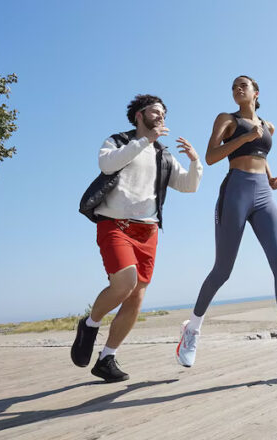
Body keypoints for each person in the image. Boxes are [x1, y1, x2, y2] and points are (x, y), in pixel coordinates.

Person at [175, 76, 277, 373]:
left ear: (256, 93)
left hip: (263, 193)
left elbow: (262, 153)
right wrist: (244, 138)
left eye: (243, 85)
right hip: (235, 191)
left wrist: (270, 175)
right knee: (223, 270)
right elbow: (210, 157)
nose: (237, 89)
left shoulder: (268, 126)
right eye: (233, 86)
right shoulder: (227, 119)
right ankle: (191, 330)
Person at [71, 94, 203, 382]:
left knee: (136, 298)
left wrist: (195, 163)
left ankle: (107, 358)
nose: (161, 117)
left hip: (149, 230)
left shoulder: (163, 155)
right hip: (114, 224)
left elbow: (188, 186)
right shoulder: (117, 141)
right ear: (139, 115)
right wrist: (144, 141)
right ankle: (90, 325)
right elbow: (107, 166)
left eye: (164, 113)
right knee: (125, 282)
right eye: (155, 111)